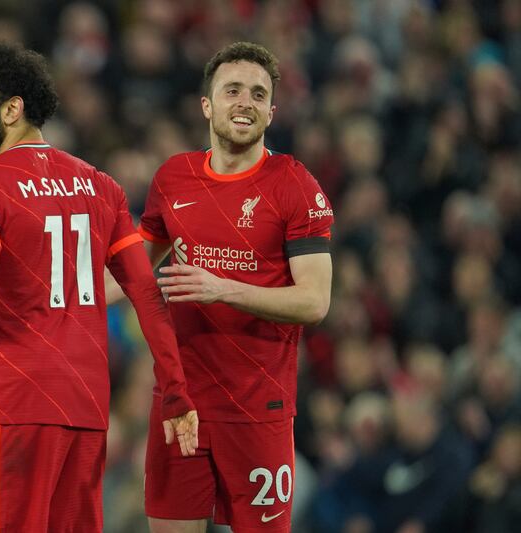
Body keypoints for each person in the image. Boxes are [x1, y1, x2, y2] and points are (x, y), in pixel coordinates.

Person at [0, 41, 198, 532]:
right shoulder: (103, 187)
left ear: (11, 109)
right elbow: (146, 295)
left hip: (15, 405)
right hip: (87, 411)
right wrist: (176, 390)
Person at [109, 42, 334, 532]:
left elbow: (315, 302)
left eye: (258, 94)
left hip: (257, 409)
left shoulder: (296, 187)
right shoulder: (174, 177)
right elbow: (132, 273)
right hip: (180, 401)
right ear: (207, 105)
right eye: (232, 90)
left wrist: (222, 288)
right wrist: (52, 297)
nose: (245, 102)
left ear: (272, 112)